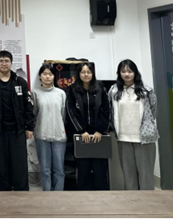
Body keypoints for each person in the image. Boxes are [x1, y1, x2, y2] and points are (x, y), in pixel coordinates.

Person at [0, 50, 35, 191]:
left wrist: (29, 127)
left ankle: (21, 192)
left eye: (6, 61)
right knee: (2, 163)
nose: (4, 64)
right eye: (1, 61)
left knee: (19, 163)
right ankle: (4, 192)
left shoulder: (20, 81)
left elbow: (29, 105)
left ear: (11, 63)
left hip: (18, 130)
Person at [109, 59, 159, 190]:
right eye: (123, 71)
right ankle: (132, 200)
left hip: (144, 138)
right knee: (128, 175)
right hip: (123, 137)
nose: (126, 74)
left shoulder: (146, 90)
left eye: (130, 71)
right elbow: (111, 111)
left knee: (146, 175)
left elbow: (153, 110)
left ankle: (147, 201)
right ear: (119, 73)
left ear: (135, 73)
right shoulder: (114, 91)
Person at [66, 62, 110, 191]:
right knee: (83, 169)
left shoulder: (101, 88)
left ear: (93, 73)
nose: (86, 75)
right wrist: (82, 131)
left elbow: (106, 110)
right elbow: (71, 111)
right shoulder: (73, 90)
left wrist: (100, 131)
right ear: (78, 74)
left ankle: (102, 195)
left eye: (89, 72)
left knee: (100, 169)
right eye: (83, 72)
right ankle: (83, 196)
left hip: (98, 135)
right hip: (81, 135)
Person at [32, 63, 67, 191]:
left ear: (54, 76)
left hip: (59, 135)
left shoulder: (61, 93)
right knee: (45, 169)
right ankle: (46, 194)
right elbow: (34, 113)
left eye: (50, 74)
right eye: (45, 74)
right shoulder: (35, 92)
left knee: (59, 169)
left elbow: (63, 114)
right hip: (42, 134)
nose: (47, 77)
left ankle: (58, 195)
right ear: (40, 76)